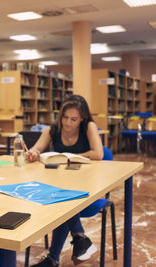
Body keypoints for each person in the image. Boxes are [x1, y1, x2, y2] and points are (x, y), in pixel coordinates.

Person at [26, 94, 103, 267]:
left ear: (82, 118)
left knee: (62, 204)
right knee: (61, 200)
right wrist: (33, 153)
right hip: (60, 185)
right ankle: (79, 238)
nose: (68, 123)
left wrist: (71, 157)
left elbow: (98, 154)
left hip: (87, 188)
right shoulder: (52, 130)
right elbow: (37, 148)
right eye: (65, 117)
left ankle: (54, 258)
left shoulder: (89, 127)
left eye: (74, 119)